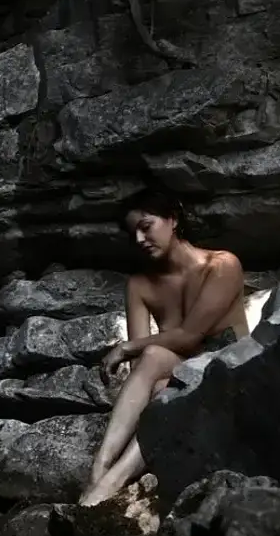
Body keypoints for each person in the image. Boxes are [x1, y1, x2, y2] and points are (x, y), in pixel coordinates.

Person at [78, 189, 248, 507]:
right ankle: (99, 473)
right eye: (133, 234)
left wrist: (126, 347)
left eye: (146, 226)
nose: (140, 239)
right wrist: (137, 353)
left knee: (159, 368)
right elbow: (145, 361)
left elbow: (189, 336)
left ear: (172, 219)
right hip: (178, 380)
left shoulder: (222, 265)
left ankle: (106, 487)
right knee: (156, 368)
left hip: (229, 374)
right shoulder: (140, 284)